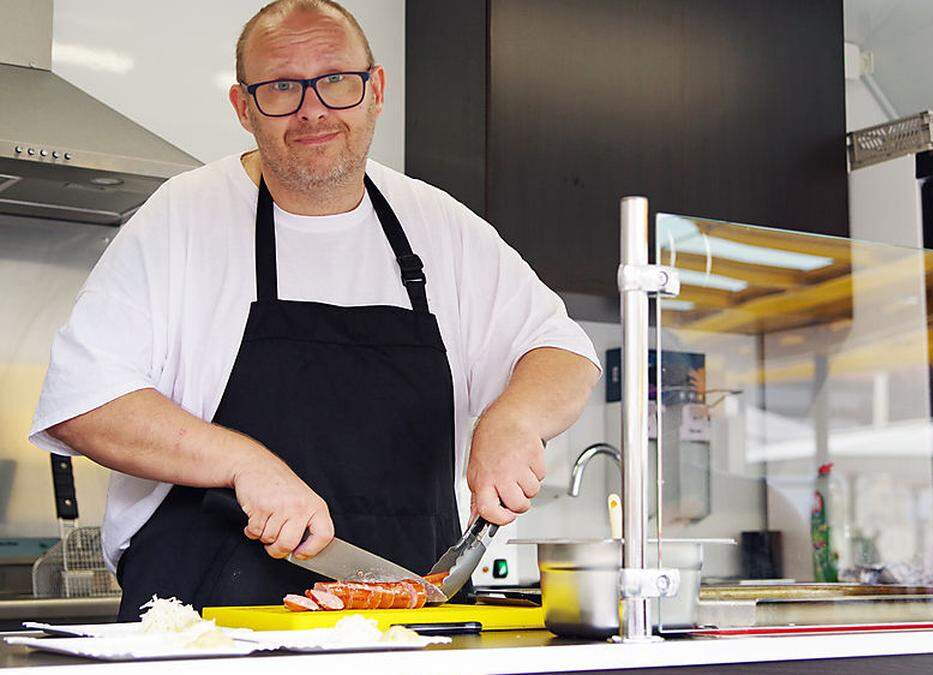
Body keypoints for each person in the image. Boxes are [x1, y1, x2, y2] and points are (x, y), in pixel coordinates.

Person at [27, 0, 599, 619]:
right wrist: (243, 462)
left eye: (335, 81)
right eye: (280, 88)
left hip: (401, 622)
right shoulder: (182, 219)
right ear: (243, 107)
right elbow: (85, 405)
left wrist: (514, 419)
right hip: (203, 624)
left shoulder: (441, 227)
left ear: (375, 90)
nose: (313, 110)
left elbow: (563, 354)